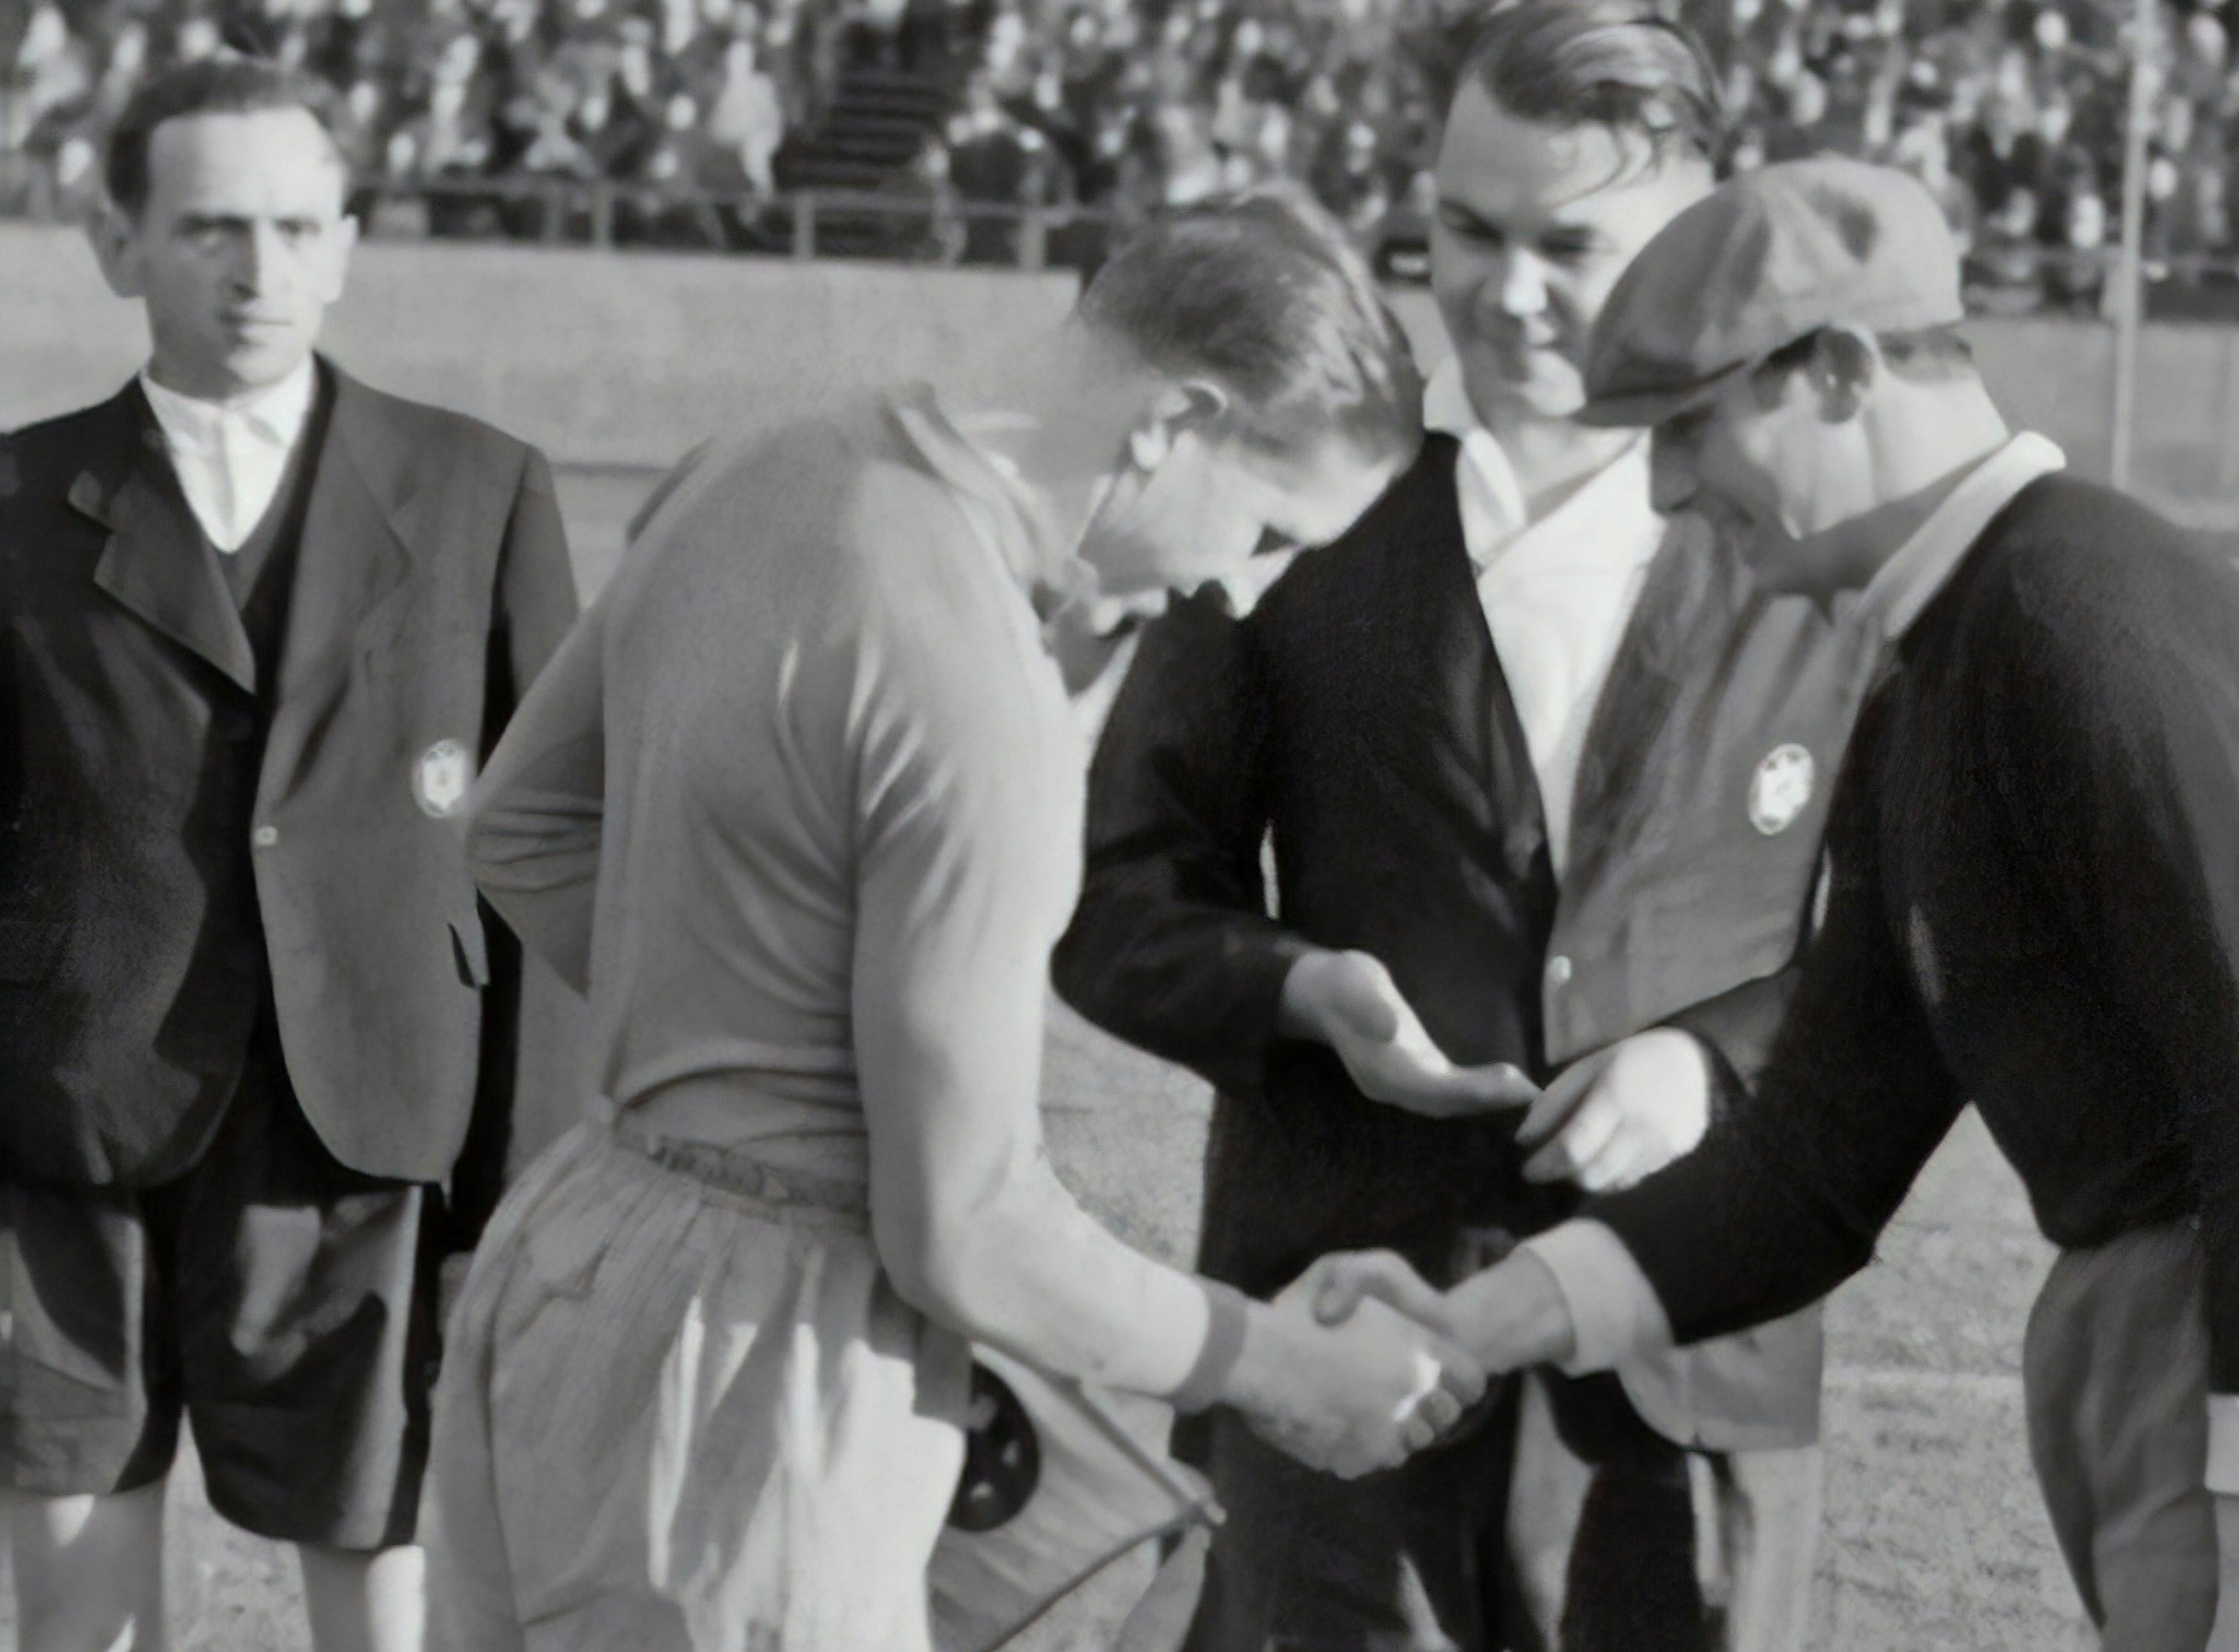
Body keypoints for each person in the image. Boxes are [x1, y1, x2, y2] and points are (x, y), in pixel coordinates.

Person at [1323, 158, 2239, 1652]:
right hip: (2225, 1332)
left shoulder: (2069, 625)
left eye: (1694, 427)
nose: (1664, 488)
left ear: (1844, 372)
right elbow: (1813, 1162)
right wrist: (1477, 1322)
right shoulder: (1944, 664)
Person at [423, 187, 1477, 1652]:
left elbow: (521, 827)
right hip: (759, 1354)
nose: (1241, 593)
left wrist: (740, 1036)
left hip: (570, 1247)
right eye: (1269, 525)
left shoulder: (757, 465)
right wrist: (1270, 1359)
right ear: (1174, 420)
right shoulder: (973, 669)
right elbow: (968, 1228)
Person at [1051, 5, 1868, 1649]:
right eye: (1465, 231)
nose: (1506, 290)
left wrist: (1711, 1059)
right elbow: (1118, 900)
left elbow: (1920, 942)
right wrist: (1300, 991)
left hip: (1689, 1363)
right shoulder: (1300, 507)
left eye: (1570, 244)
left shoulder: (1820, 538)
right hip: (1345, 1348)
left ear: (1696, 235)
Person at [0, 58, 577, 1652]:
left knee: (376, 1593)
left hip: (369, 1122)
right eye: (208, 229)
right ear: (114, 242)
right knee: (71, 1607)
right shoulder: (15, 500)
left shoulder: (482, 488)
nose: (257, 272)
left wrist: (518, 1197)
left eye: (294, 227)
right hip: (64, 1129)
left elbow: (549, 863)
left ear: (345, 243)